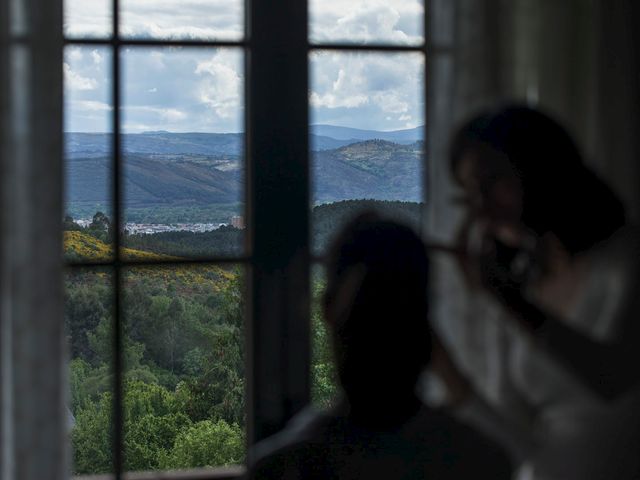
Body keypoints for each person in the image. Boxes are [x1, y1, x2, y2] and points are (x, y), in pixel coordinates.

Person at [433, 105, 640, 479]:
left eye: (492, 183)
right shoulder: (524, 281)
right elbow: (518, 440)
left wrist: (506, 301)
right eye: (468, 195)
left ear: (543, 168)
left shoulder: (627, 260)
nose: (481, 209)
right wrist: (446, 367)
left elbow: (614, 380)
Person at [247, 213, 512, 480]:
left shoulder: (283, 468)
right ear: (425, 321)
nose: (378, 328)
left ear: (329, 311)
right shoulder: (479, 460)